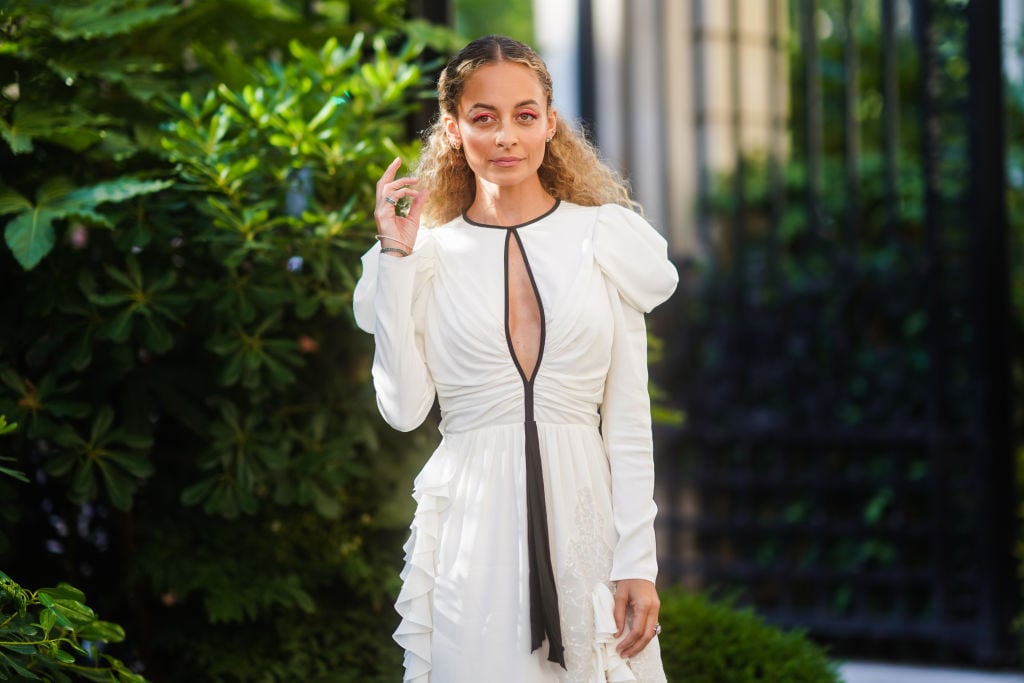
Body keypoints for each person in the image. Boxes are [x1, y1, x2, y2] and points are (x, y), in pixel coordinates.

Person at [353, 34, 677, 683]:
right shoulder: (426, 258)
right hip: (473, 535)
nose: (506, 136)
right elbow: (403, 407)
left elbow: (628, 418)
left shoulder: (602, 239)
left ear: (550, 123)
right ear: (453, 127)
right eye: (484, 117)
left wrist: (637, 559)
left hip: (584, 525)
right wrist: (395, 256)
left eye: (524, 115)